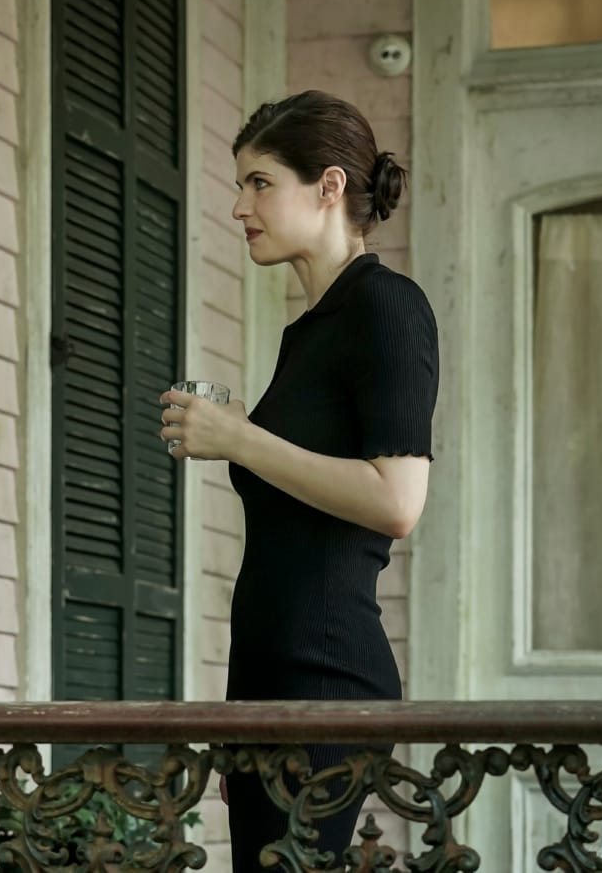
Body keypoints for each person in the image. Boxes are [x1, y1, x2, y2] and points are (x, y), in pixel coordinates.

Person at [157, 90, 438, 866]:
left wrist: (242, 439)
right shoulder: (308, 332)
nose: (239, 206)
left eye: (260, 182)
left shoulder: (388, 307)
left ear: (329, 186)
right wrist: (236, 712)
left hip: (329, 680)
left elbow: (397, 500)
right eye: (239, 184)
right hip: (269, 687)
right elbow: (282, 548)